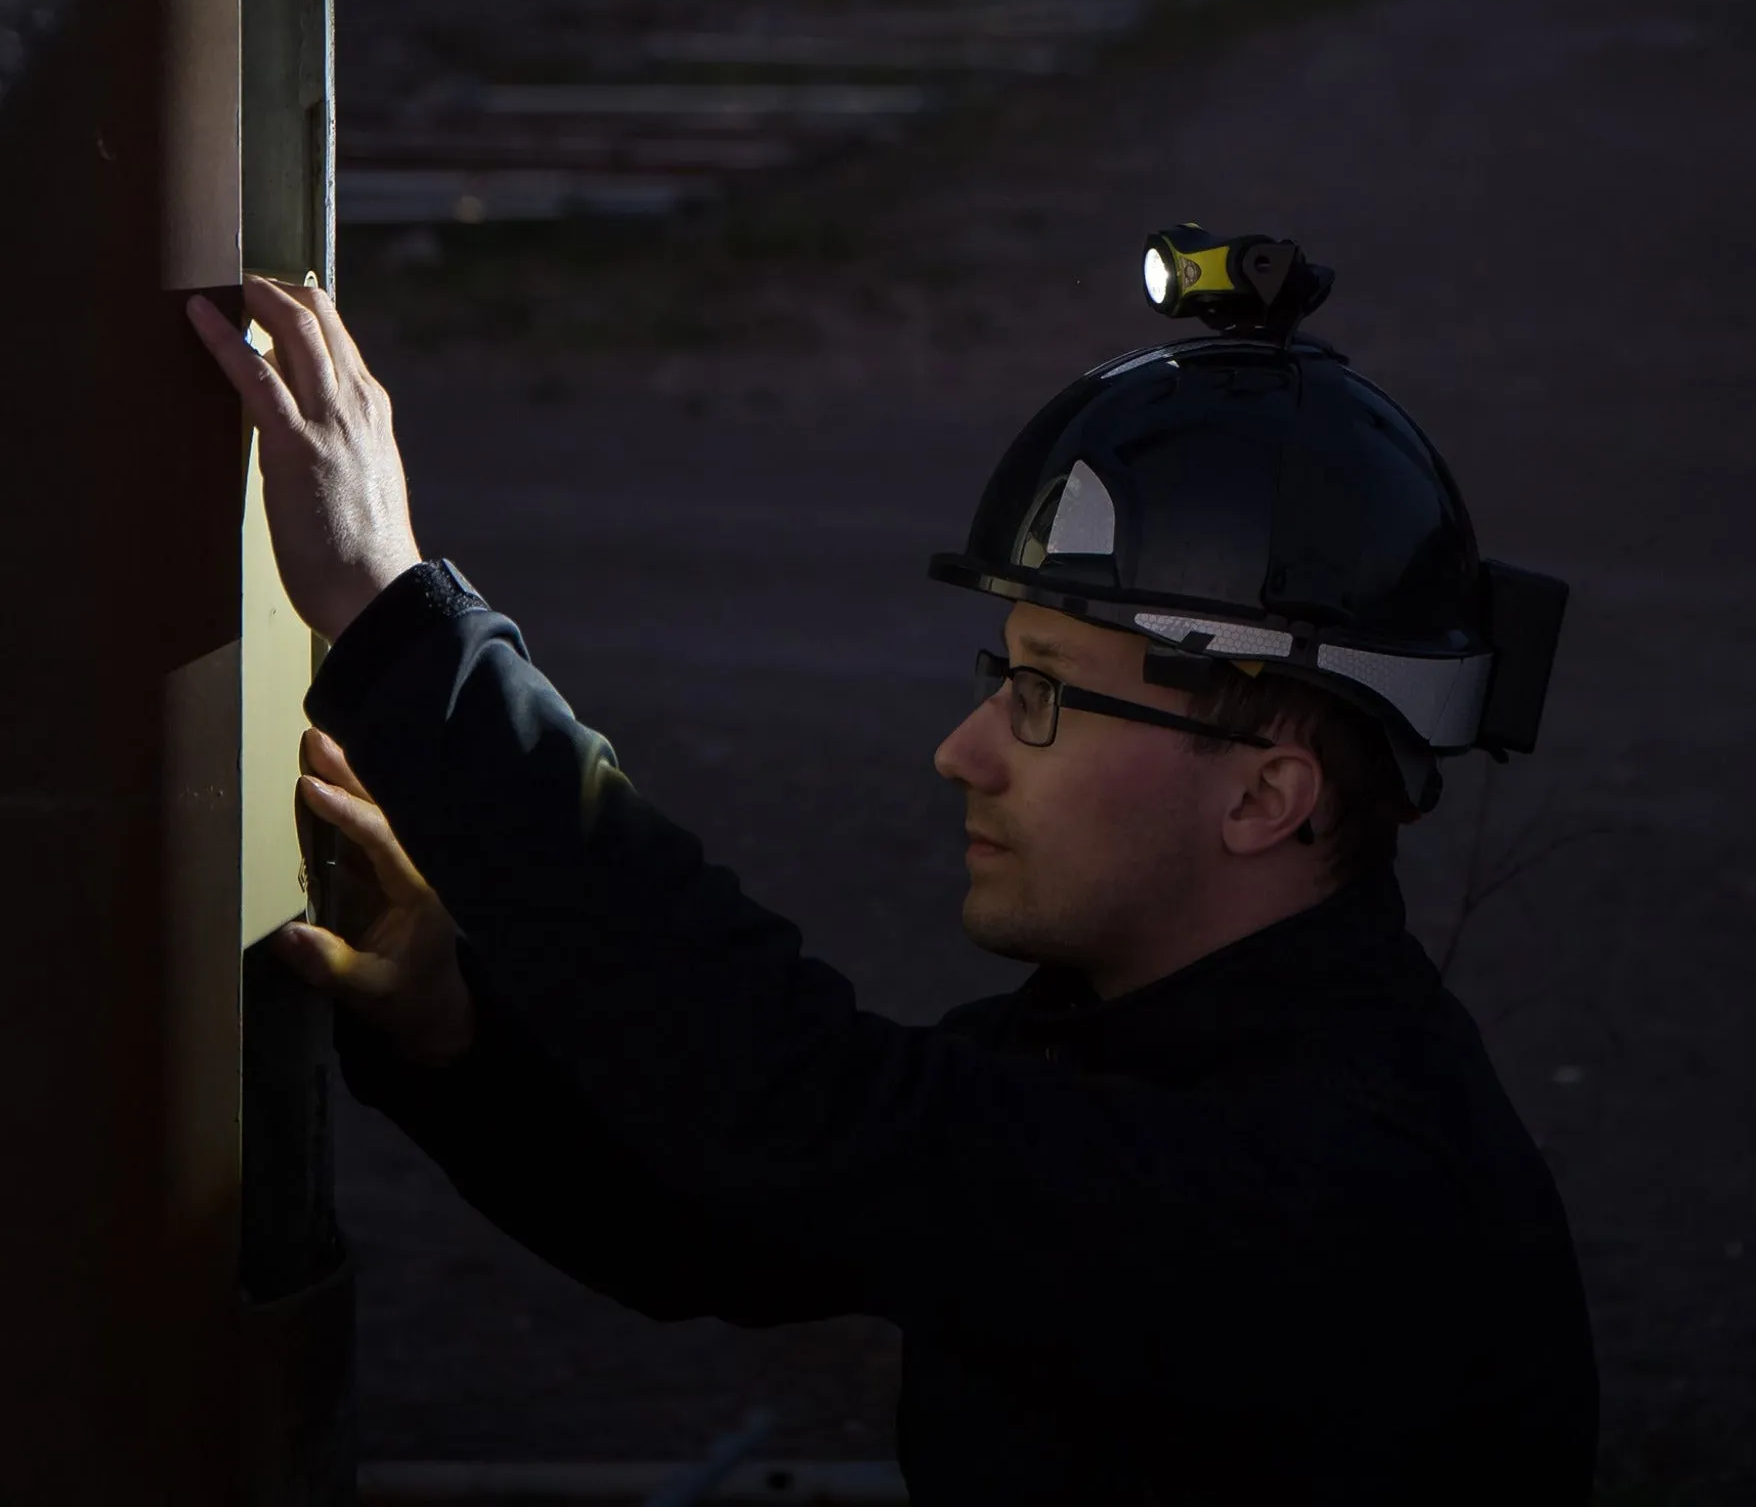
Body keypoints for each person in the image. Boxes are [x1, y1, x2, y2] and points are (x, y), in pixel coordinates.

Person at [187, 238, 1597, 1504]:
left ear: (1267, 793)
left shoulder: (1321, 1186)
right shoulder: (1161, 1051)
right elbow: (733, 1213)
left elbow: (803, 1109)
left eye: (1045, 695)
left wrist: (394, 614)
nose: (966, 749)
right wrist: (459, 1031)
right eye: (1003, 674)